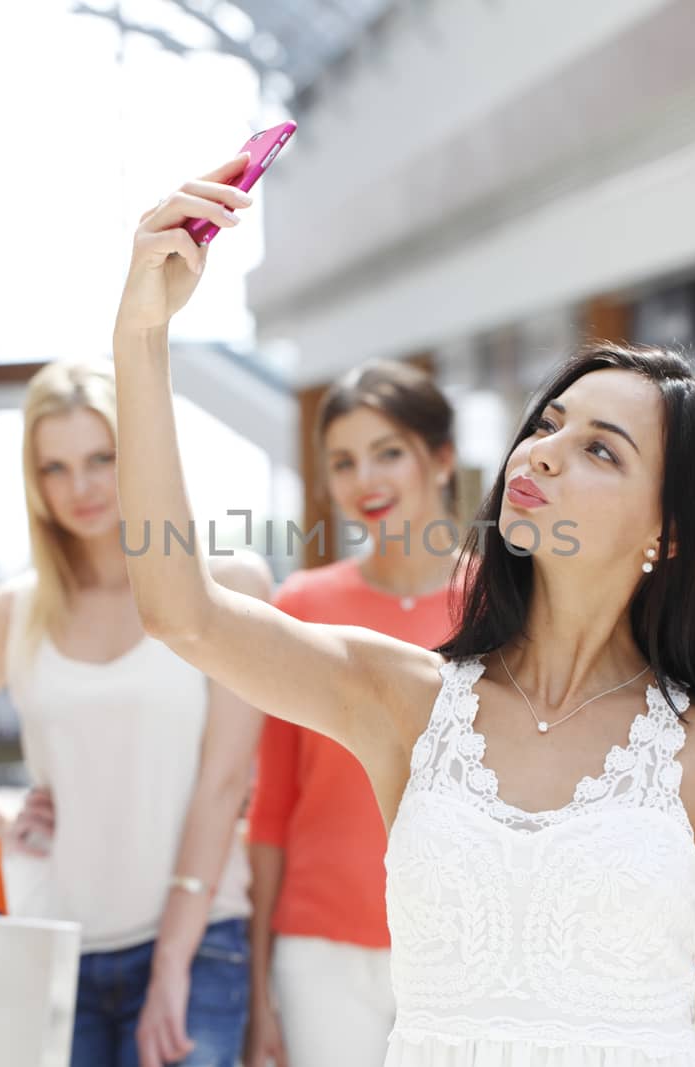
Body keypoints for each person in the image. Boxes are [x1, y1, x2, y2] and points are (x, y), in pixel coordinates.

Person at [108, 158, 695, 1067]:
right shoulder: (406, 700)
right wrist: (141, 340)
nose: (543, 453)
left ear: (669, 532)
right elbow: (181, 613)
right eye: (547, 425)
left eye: (600, 449)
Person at [0, 360, 270, 1067]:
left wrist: (172, 961)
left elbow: (225, 784)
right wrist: (2, 820)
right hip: (56, 947)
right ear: (34, 480)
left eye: (102, 457)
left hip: (200, 939)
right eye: (56, 467)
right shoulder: (12, 610)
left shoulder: (227, 584)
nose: (81, 487)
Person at [246, 360, 461, 1067]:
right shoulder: (302, 607)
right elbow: (272, 805)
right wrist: (257, 988)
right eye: (342, 461)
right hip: (320, 954)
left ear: (442, 458)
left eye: (388, 452)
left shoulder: (509, 604)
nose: (365, 478)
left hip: (466, 944)